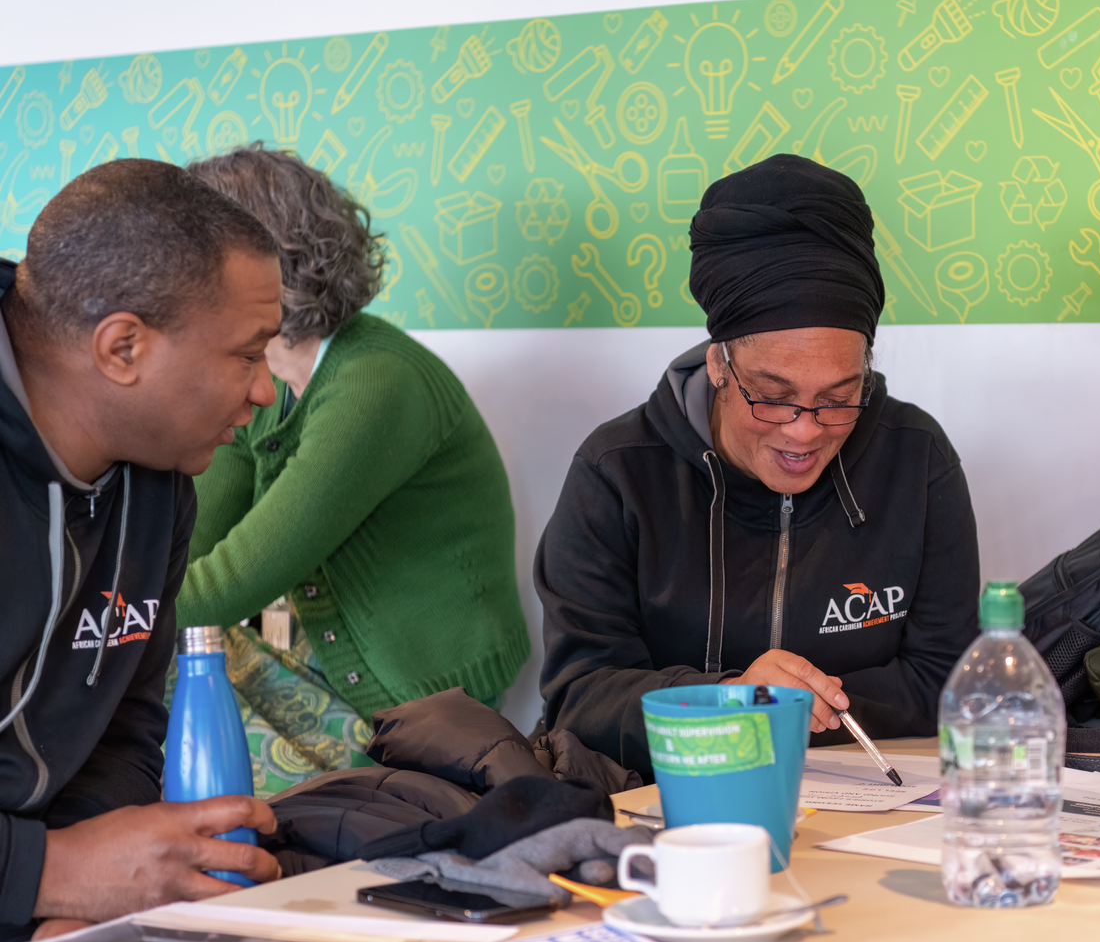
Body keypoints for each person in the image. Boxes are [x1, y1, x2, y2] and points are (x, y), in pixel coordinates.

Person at [535, 154, 980, 779]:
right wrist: (730, 701)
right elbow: (578, 697)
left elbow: (949, 680)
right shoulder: (619, 475)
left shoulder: (915, 461)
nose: (803, 430)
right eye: (771, 396)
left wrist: (791, 710)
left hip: (868, 814)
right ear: (720, 364)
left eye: (837, 398)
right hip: (668, 813)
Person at [174, 145, 531, 787]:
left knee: (152, 673)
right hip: (327, 664)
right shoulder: (263, 372)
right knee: (147, 675)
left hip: (418, 700)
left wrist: (84, 617)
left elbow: (229, 585)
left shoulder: (374, 383)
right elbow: (194, 540)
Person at [0, 159, 285, 942]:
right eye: (247, 353)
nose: (265, 390)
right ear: (122, 347)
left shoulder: (158, 485)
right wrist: (46, 873)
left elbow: (124, 724)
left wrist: (70, 912)